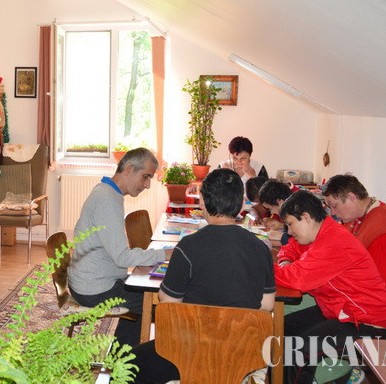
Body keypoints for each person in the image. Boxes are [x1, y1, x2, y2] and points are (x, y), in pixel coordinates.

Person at [129, 168, 276, 383]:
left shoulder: (187, 246)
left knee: (125, 364)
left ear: (203, 202)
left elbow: (168, 302)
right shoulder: (260, 249)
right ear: (240, 205)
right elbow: (267, 304)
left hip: (190, 350)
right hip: (242, 353)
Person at [275, 190, 386, 383]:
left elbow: (297, 278)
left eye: (290, 224)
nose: (289, 231)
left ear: (306, 218)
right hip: (339, 312)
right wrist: (285, 261)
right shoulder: (319, 234)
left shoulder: (334, 241)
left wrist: (262, 267)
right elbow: (291, 247)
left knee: (300, 348)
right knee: (281, 328)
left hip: (371, 327)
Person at [67, 148, 173, 346]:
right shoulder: (106, 199)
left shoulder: (108, 192)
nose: (147, 185)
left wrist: (158, 255)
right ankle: (126, 359)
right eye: (145, 177)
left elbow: (118, 255)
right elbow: (122, 258)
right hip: (94, 289)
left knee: (148, 296)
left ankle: (122, 357)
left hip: (95, 281)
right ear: (129, 169)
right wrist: (164, 254)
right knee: (163, 307)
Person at [322, 174, 386, 297]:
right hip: (347, 288)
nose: (332, 212)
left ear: (351, 197)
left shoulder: (382, 233)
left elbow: (379, 289)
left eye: (335, 206)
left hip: (365, 302)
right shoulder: (356, 215)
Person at [259, 179, 296, 246]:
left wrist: (282, 236)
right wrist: (281, 225)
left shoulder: (298, 214)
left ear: (280, 202)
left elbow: (303, 243)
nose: (272, 213)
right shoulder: (290, 212)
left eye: (271, 209)